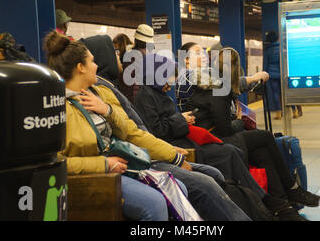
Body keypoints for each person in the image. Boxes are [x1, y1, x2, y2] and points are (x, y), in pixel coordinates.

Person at [43, 31, 250, 221]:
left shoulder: (102, 94)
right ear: (80, 67)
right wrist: (104, 164)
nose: (96, 66)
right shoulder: (57, 106)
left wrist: (108, 111)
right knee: (160, 202)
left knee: (198, 182)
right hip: (103, 174)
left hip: (130, 160)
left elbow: (132, 131)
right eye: (92, 61)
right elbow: (56, 162)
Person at [134, 52, 312, 221]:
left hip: (186, 139)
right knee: (235, 150)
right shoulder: (146, 96)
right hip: (178, 145)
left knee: (245, 151)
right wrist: (181, 119)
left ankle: (270, 202)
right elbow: (156, 130)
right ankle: (270, 201)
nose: (170, 82)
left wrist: (181, 120)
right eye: (166, 76)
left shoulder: (158, 94)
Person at [187, 47, 320, 212]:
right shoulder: (208, 86)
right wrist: (238, 121)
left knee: (263, 153)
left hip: (216, 134)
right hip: (215, 139)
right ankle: (292, 189)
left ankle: (282, 206)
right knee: (266, 137)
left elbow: (233, 89)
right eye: (197, 53)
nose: (202, 56)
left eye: (203, 53)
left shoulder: (211, 80)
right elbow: (225, 128)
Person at [176, 42, 269, 113]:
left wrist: (253, 82)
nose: (204, 56)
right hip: (201, 127)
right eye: (198, 53)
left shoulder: (202, 73)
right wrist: (253, 78)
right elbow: (225, 85)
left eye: (203, 52)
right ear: (186, 59)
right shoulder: (188, 76)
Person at [118, 24, 155, 104]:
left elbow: (130, 84)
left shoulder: (131, 55)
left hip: (133, 99)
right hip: (145, 98)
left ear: (136, 39)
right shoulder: (149, 56)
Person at [263, 31, 282, 120]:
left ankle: (278, 112)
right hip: (283, 74)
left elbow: (265, 64)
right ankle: (294, 111)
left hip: (272, 75)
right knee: (285, 93)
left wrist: (264, 74)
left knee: (275, 93)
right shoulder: (282, 48)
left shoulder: (268, 50)